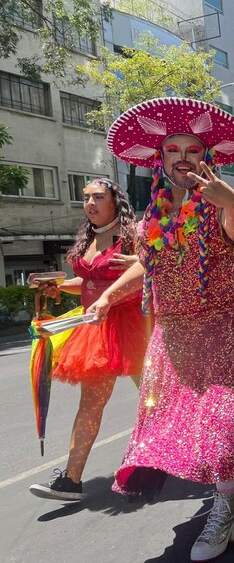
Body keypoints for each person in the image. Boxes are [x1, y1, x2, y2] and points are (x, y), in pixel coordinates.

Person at [90, 98, 234, 561]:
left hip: (225, 325)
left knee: (221, 422)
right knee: (179, 425)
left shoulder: (217, 197)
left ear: (205, 157)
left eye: (192, 149)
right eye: (172, 148)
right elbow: (146, 260)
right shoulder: (150, 215)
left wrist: (232, 201)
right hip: (174, 333)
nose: (182, 157)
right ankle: (230, 482)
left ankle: (223, 509)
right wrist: (106, 295)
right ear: (161, 158)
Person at [29, 179, 148, 502]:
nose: (90, 203)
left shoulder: (132, 235)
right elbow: (89, 280)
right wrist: (59, 287)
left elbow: (148, 273)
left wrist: (135, 271)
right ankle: (71, 479)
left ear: (115, 201)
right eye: (85, 198)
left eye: (98, 197)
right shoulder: (90, 238)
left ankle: (189, 458)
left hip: (133, 326)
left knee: (156, 399)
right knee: (90, 405)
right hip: (95, 328)